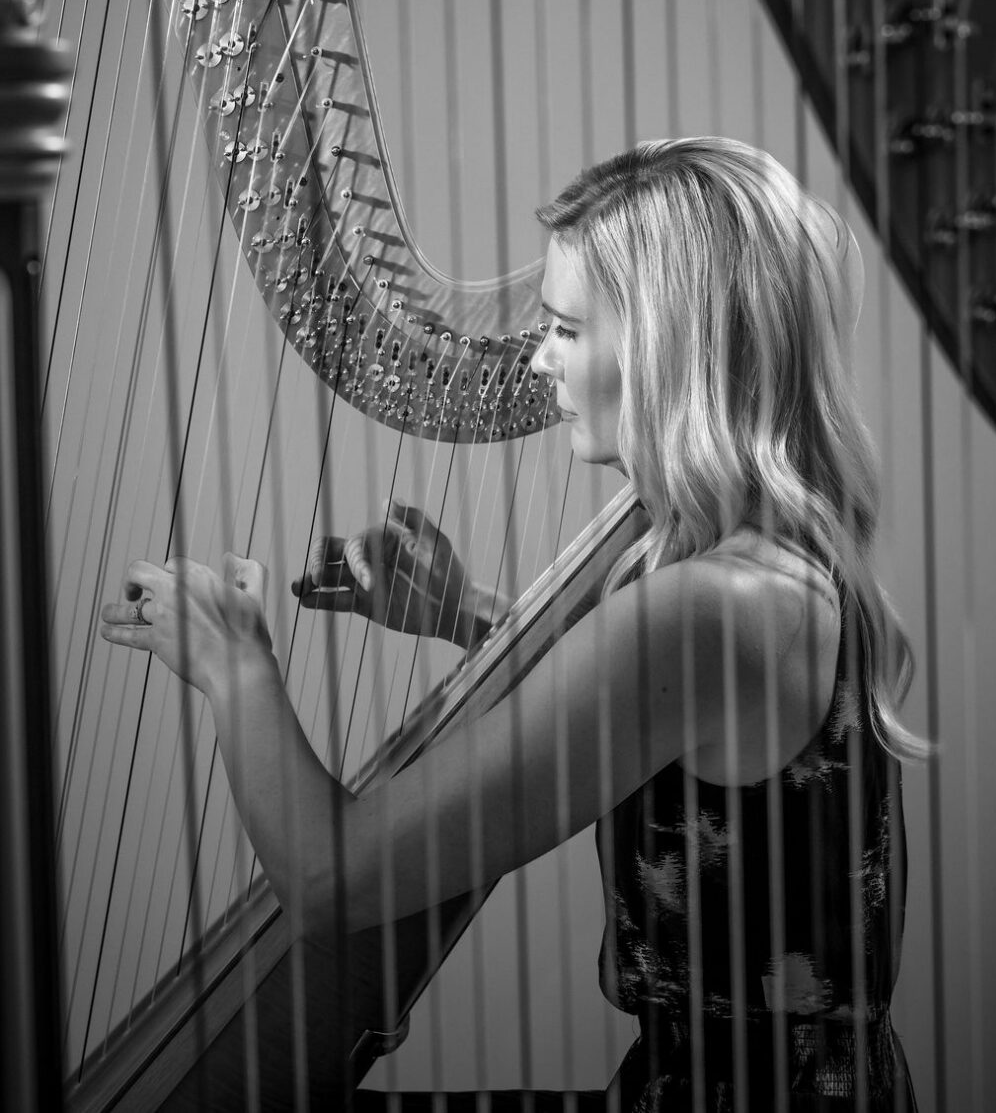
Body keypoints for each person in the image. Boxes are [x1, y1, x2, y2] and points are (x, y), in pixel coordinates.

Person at [100, 137, 922, 1109]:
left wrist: (235, 664)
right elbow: (659, 723)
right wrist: (468, 615)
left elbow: (335, 879)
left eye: (570, 330)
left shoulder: (701, 609)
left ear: (676, 350)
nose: (539, 358)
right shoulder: (780, 558)